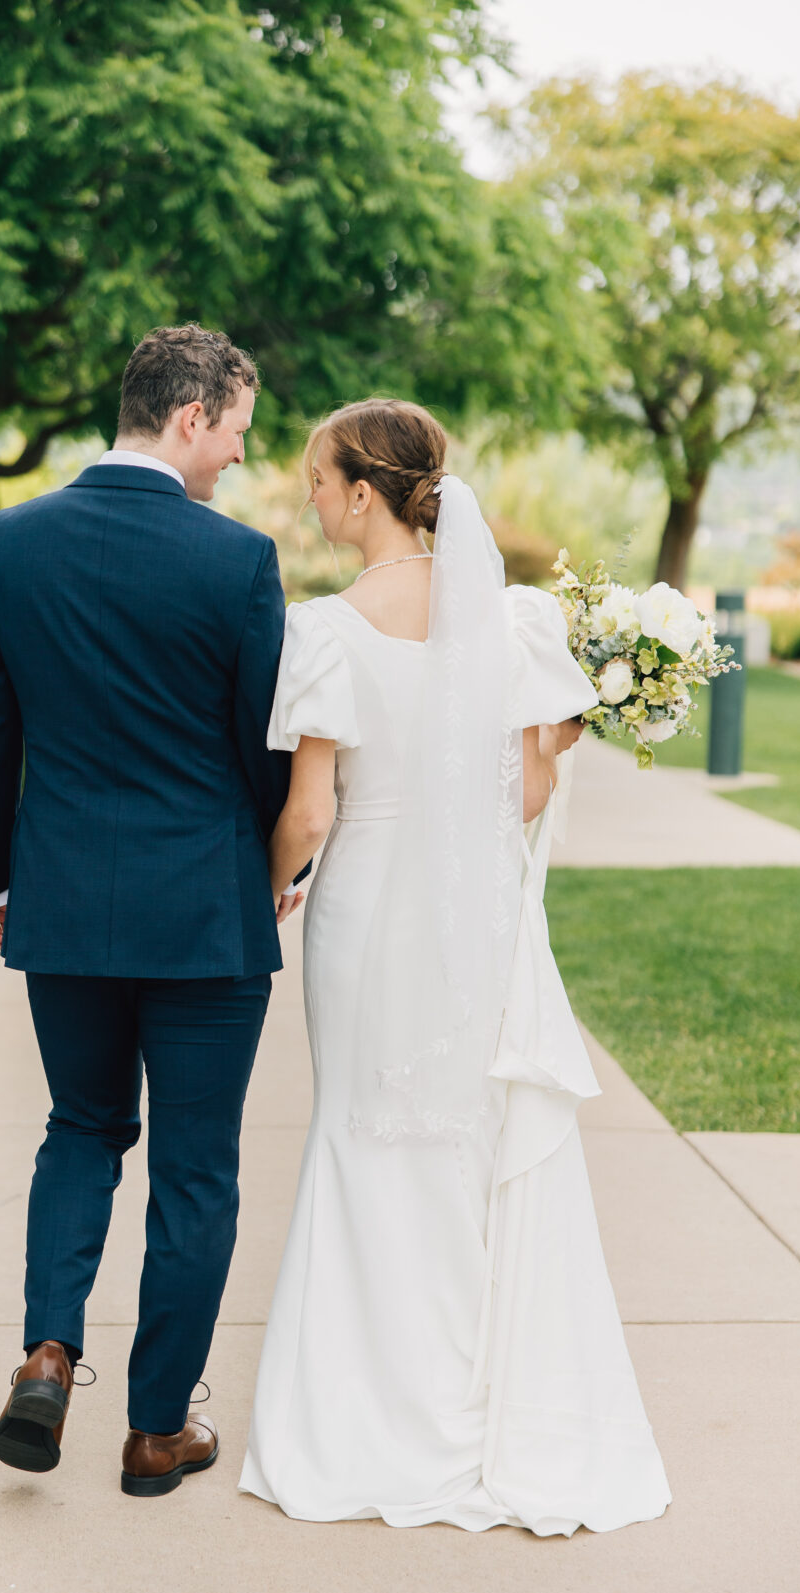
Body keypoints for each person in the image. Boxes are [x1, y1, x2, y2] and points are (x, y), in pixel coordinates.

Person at [240, 399, 672, 1535]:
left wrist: (269, 886)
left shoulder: (325, 628)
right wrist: (563, 741)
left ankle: (374, 1415)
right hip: (474, 918)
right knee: (467, 1138)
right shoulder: (516, 620)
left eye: (319, 482)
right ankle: (485, 1406)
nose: (312, 499)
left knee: (363, 1133)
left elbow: (313, 812)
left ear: (366, 495)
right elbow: (522, 800)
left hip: (368, 910)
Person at [0, 324, 302, 1496]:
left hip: (68, 909)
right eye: (238, 432)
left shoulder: (5, 545)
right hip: (206, 914)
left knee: (82, 1128)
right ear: (191, 415)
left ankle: (49, 1352)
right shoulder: (238, 563)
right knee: (198, 1169)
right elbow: (264, 749)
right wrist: (267, 870)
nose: (240, 460)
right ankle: (157, 1432)